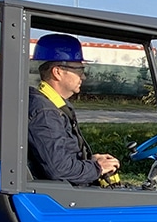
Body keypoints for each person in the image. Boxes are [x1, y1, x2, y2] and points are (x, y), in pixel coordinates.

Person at [28, 33, 121, 186]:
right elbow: (59, 170)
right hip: (66, 198)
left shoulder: (52, 105)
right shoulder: (45, 114)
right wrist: (97, 168)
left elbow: (61, 158)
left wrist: (90, 162)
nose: (83, 77)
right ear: (57, 72)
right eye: (79, 70)